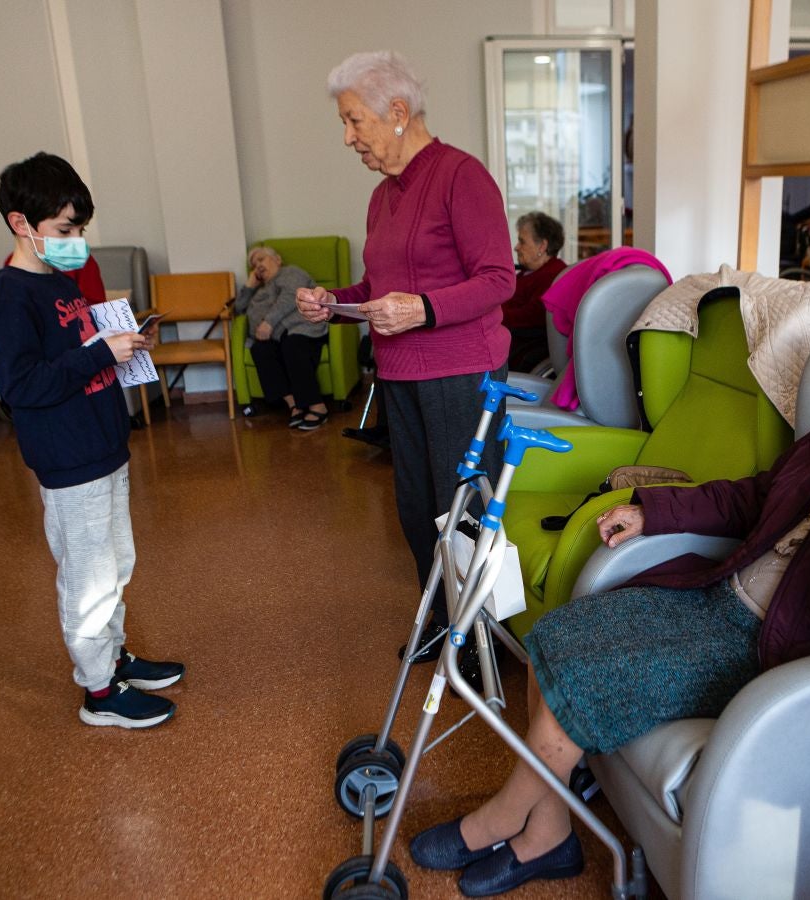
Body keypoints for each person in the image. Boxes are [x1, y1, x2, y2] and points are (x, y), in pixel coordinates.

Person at [408, 301, 810, 896]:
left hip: (780, 646)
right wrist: (655, 511)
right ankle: (550, 830)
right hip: (722, 595)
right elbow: (762, 495)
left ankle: (501, 819)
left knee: (584, 679)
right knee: (561, 632)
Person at [296, 51, 515, 686]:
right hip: (401, 375)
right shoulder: (381, 197)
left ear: (397, 113)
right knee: (418, 509)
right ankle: (444, 622)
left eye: (354, 121)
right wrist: (335, 303)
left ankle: (481, 638)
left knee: (461, 513)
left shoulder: (461, 176)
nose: (348, 138)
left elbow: (498, 280)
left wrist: (421, 309)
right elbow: (381, 285)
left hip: (460, 372)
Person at [0, 152, 184, 730]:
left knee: (116, 563)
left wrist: (123, 344)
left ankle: (114, 657)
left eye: (80, 230)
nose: (77, 241)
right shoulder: (11, 295)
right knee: (88, 577)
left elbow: (79, 351)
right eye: (65, 231)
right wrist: (101, 352)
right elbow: (21, 385)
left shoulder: (61, 281)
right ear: (22, 224)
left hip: (102, 447)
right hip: (69, 458)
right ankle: (99, 690)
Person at [235, 245, 328, 428]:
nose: (258, 266)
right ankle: (294, 404)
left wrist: (268, 322)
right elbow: (238, 308)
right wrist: (249, 285)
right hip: (274, 336)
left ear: (277, 259)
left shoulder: (289, 272)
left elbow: (290, 296)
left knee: (292, 345)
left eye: (261, 259)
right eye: (254, 264)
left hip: (300, 328)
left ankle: (318, 406)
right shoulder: (260, 289)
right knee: (259, 350)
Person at [504, 211, 567, 372]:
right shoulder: (528, 272)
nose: (516, 247)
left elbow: (533, 316)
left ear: (542, 246)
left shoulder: (553, 276)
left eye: (522, 241)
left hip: (523, 350)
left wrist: (492, 314)